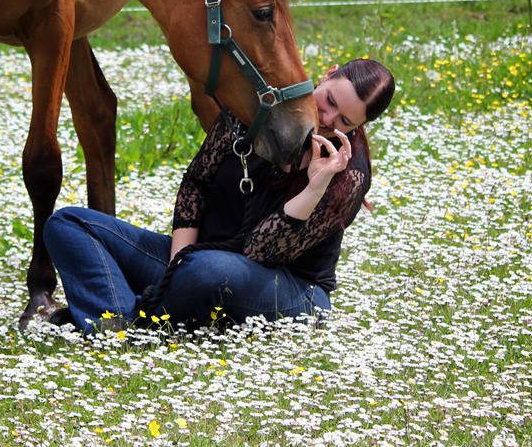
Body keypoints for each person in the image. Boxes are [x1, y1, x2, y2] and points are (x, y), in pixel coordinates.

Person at [43, 58, 396, 334]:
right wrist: (175, 266)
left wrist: (315, 185)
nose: (327, 116)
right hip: (196, 260)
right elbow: (197, 183)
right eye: (329, 99)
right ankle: (119, 321)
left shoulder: (349, 174)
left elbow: (261, 251)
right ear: (328, 73)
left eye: (344, 120)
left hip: (288, 288)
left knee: (211, 270)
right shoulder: (254, 111)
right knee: (68, 223)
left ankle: (118, 321)